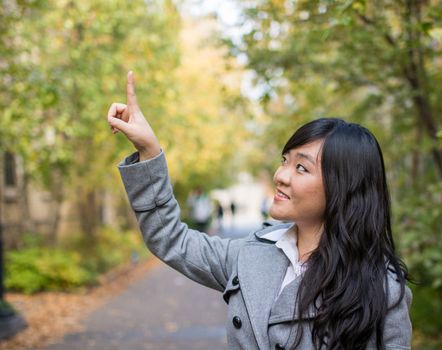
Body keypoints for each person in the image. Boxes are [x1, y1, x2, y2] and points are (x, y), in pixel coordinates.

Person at [107, 72, 412, 350]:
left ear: (342, 187)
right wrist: (149, 151)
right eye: (285, 160)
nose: (281, 175)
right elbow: (171, 239)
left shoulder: (382, 290)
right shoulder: (252, 255)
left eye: (301, 168)